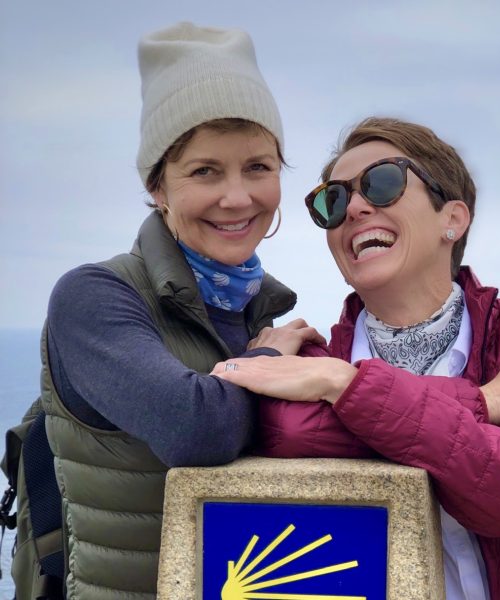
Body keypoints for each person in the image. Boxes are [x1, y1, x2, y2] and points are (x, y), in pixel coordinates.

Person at [214, 117, 500, 599]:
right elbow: (292, 431)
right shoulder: (313, 359)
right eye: (333, 201)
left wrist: (345, 388)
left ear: (453, 219)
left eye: (382, 183)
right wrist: (485, 402)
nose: (356, 209)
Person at [26, 22, 322, 600]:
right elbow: (198, 430)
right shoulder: (94, 297)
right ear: (158, 185)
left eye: (258, 167)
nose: (238, 197)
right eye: (205, 171)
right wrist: (264, 358)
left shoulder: (260, 307)